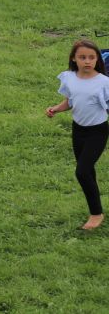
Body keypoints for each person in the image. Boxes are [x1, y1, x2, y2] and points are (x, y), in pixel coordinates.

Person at [47, 40, 109, 231]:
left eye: (91, 57)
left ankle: (96, 214)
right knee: (87, 171)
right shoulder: (70, 78)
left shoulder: (104, 82)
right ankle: (96, 209)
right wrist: (56, 109)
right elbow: (70, 101)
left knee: (81, 172)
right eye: (82, 57)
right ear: (74, 59)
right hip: (78, 131)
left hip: (97, 132)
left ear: (97, 59)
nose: (87, 61)